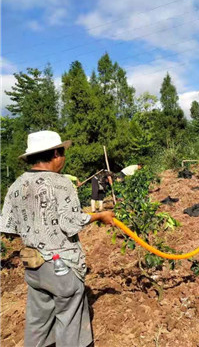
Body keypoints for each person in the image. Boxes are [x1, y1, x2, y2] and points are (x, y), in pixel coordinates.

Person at [0, 130, 115, 347]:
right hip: (61, 265)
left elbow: (8, 227)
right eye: (62, 153)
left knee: (38, 321)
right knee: (70, 319)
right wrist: (99, 215)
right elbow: (69, 222)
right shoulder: (60, 183)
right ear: (55, 154)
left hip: (33, 266)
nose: (63, 158)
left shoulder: (16, 185)